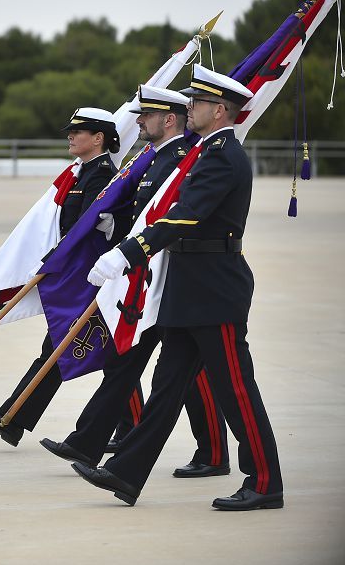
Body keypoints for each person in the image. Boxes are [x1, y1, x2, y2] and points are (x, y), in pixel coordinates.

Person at [74, 64, 283, 510]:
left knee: (235, 389)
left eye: (199, 103)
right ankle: (126, 472)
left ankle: (265, 482)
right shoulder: (203, 153)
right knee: (168, 386)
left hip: (213, 288)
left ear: (221, 110)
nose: (190, 108)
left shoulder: (223, 155)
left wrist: (128, 253)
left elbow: (186, 215)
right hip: (188, 287)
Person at [39, 86, 229, 476]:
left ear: (170, 120)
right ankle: (89, 442)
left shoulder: (180, 160)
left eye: (147, 115)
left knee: (188, 369)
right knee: (131, 360)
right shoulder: (152, 160)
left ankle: (212, 453)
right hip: (144, 276)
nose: (139, 121)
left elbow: (171, 218)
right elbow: (140, 215)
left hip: (170, 275)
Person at [0, 108, 130, 447]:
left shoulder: (100, 176)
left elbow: (85, 231)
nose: (70, 137)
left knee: (105, 352)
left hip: (90, 277)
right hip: (76, 274)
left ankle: (129, 430)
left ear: (98, 138)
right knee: (64, 347)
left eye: (78, 132)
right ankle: (12, 418)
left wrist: (53, 262)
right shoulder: (81, 173)